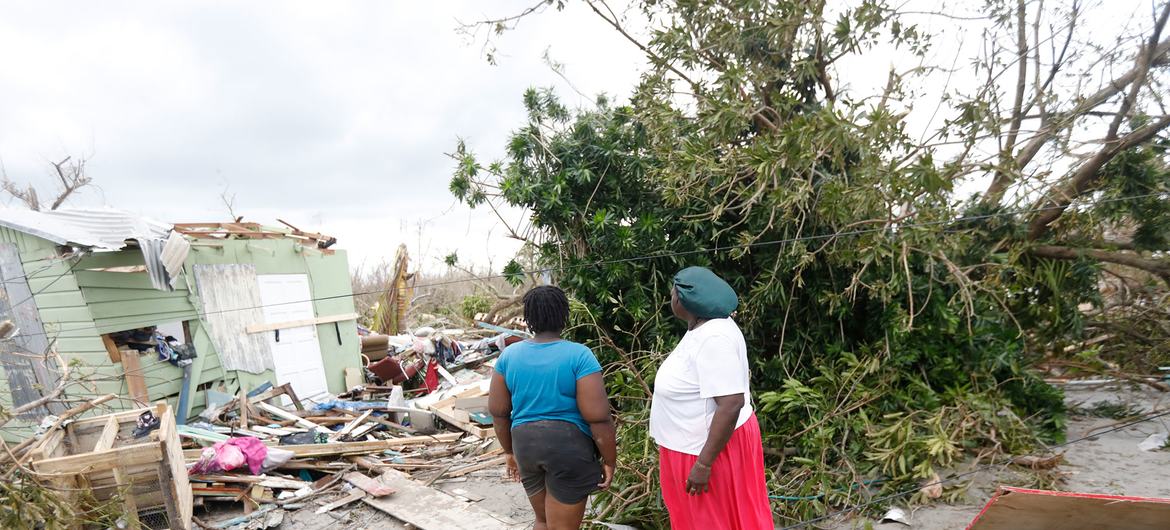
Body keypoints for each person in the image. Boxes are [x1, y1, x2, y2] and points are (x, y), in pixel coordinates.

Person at [650, 266, 773, 529]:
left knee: (710, 520)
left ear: (683, 301)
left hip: (707, 450)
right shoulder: (703, 326)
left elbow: (730, 404)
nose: (671, 297)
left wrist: (704, 464)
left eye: (673, 293)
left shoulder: (714, 337)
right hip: (692, 445)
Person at [489, 285, 618, 530]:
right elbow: (599, 418)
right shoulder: (580, 356)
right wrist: (610, 460)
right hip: (567, 448)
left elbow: (498, 412)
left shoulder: (508, 356)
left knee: (543, 520)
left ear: (528, 319)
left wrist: (509, 452)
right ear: (564, 317)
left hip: (525, 445)